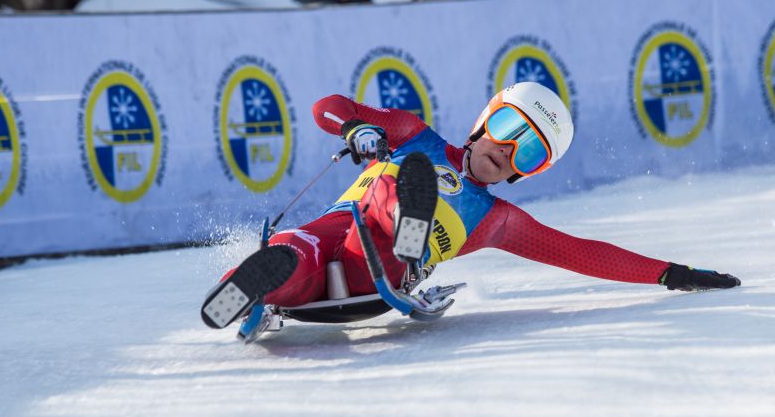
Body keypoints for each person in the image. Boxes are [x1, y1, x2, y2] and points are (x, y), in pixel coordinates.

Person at [201, 82, 740, 329]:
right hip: (334, 236)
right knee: (296, 251)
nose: (504, 152)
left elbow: (582, 253)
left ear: (529, 172)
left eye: (526, 152)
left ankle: (409, 227)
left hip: (379, 269)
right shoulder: (415, 135)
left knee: (399, 198)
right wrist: (357, 129)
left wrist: (669, 273)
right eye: (507, 131)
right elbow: (327, 106)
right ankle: (249, 285)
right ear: (486, 119)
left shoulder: (498, 219)